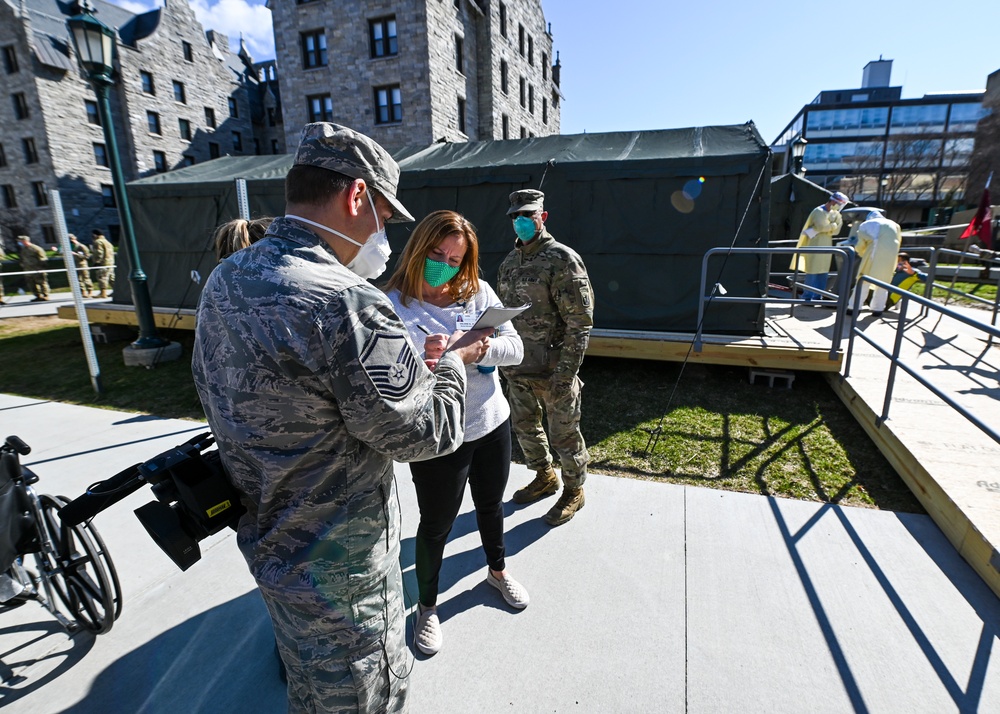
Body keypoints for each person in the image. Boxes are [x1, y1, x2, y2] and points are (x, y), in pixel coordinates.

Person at [192, 122, 490, 714]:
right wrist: (454, 364)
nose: (382, 234)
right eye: (383, 215)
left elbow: (210, 387)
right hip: (343, 574)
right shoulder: (345, 300)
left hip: (273, 547)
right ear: (357, 196)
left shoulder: (229, 278)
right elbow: (420, 433)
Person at [383, 210, 528, 656]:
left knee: (490, 505)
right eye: (436, 254)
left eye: (455, 258)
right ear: (417, 249)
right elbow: (389, 377)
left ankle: (497, 571)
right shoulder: (390, 303)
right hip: (436, 436)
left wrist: (480, 350)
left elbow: (516, 349)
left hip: (489, 421)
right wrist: (431, 361)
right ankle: (427, 607)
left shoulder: (477, 291)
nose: (444, 265)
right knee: (436, 525)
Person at [497, 189, 594, 526]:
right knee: (525, 428)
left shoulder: (562, 259)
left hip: (553, 369)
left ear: (543, 216)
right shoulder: (510, 263)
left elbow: (579, 322)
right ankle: (544, 476)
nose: (521, 221)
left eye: (528, 215)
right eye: (515, 216)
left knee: (564, 433)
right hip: (517, 366)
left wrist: (566, 373)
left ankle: (574, 489)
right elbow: (504, 315)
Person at [791, 191, 849, 301]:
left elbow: (836, 231)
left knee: (823, 271)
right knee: (812, 271)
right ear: (833, 201)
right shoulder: (818, 211)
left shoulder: (835, 214)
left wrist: (829, 227)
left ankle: (818, 296)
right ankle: (807, 297)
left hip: (826, 244)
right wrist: (832, 225)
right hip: (814, 244)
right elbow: (822, 226)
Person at [846, 211, 902, 317]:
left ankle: (853, 307)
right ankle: (878, 309)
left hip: (872, 255)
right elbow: (898, 241)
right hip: (890, 257)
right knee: (883, 283)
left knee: (863, 281)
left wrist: (861, 253)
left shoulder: (865, 225)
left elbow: (860, 244)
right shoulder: (895, 225)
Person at [17, 235, 49, 302]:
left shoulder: (36, 248)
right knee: (31, 284)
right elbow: (22, 259)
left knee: (42, 282)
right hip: (28, 270)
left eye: (21, 241)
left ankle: (45, 295)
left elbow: (43, 259)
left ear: (25, 241)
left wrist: (41, 268)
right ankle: (37, 296)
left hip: (37, 269)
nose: (20, 242)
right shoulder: (23, 250)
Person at [91, 230, 115, 298]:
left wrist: (97, 262)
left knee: (102, 277)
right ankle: (116, 291)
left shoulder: (98, 242)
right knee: (111, 278)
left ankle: (103, 293)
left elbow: (99, 252)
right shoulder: (107, 242)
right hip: (110, 262)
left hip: (103, 263)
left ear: (95, 235)